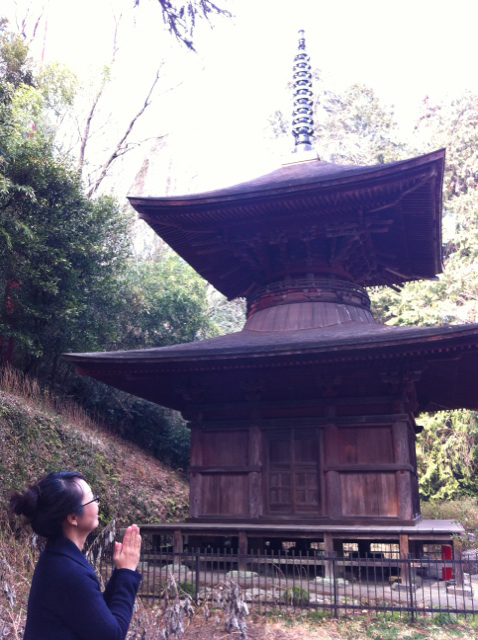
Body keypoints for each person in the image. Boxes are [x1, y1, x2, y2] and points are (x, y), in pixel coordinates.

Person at [10, 471, 142, 640]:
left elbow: (95, 618)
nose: (98, 502)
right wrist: (127, 574)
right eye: (93, 498)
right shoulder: (68, 572)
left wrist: (120, 573)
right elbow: (112, 636)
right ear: (73, 517)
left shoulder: (58, 558)